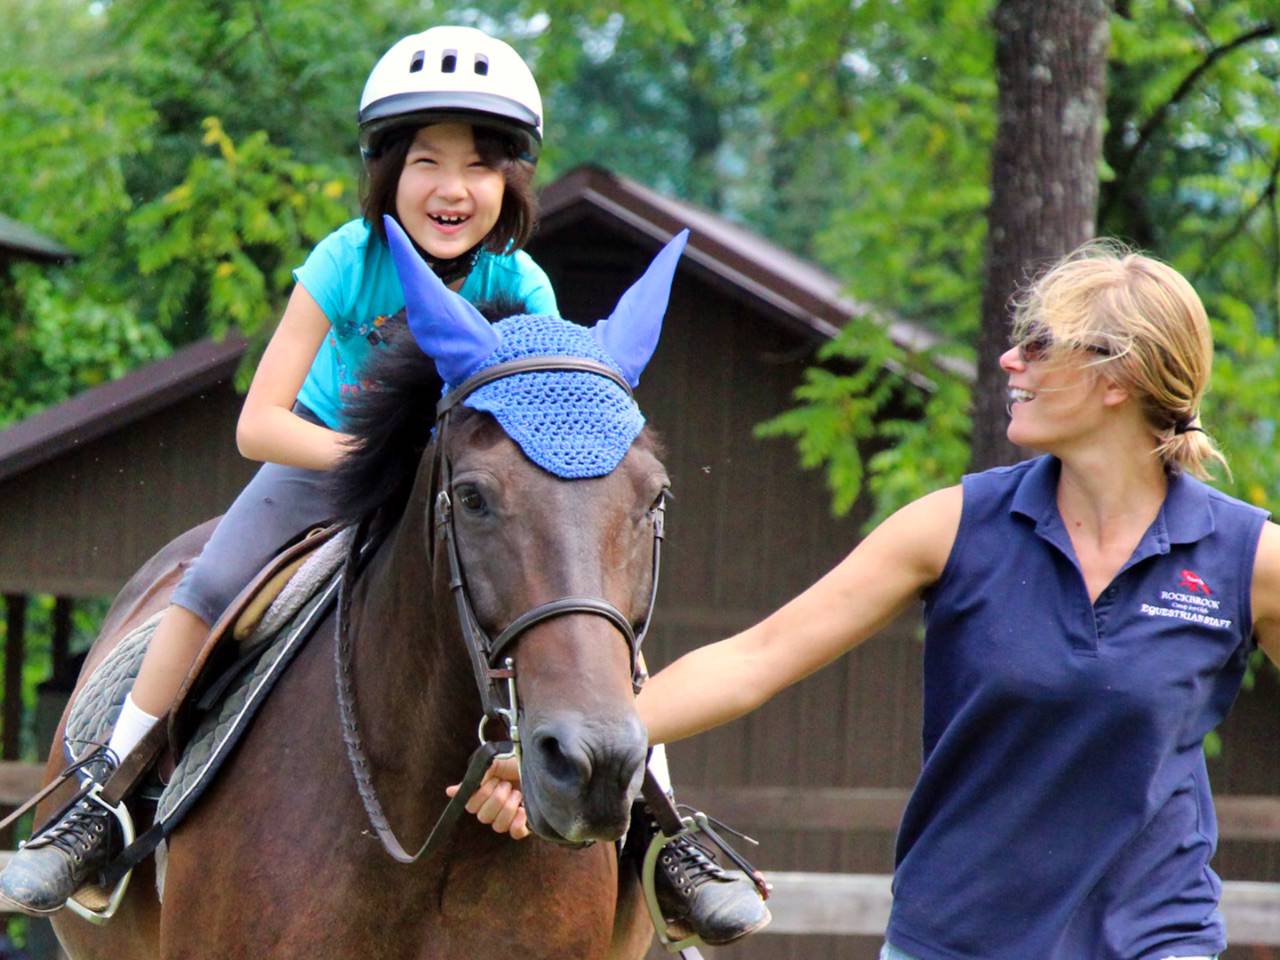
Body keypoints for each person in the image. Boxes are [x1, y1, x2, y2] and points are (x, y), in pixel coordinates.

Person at [0, 25, 768, 943]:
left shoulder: (520, 280)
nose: (453, 188)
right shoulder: (344, 261)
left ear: (511, 185)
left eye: (481, 167)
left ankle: (662, 838)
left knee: (602, 641)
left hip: (472, 499)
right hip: (325, 469)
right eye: (427, 161)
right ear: (385, 171)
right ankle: (103, 802)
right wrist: (388, 467)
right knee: (206, 589)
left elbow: (551, 421)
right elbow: (259, 423)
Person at [462, 241, 1280, 960]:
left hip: (1154, 941)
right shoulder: (954, 527)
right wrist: (581, 736)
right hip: (956, 940)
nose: (1009, 361)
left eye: (1040, 343)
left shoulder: (1249, 559)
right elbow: (757, 658)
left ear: (1120, 376)